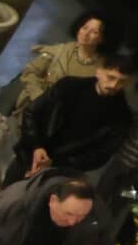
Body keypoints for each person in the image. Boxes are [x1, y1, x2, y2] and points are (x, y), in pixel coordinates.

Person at [13, 49, 134, 179]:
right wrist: (37, 146)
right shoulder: (69, 85)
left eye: (121, 81)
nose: (114, 85)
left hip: (60, 174)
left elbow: (99, 156)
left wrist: (54, 163)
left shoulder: (122, 116)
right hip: (28, 156)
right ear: (99, 71)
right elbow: (32, 112)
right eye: (111, 77)